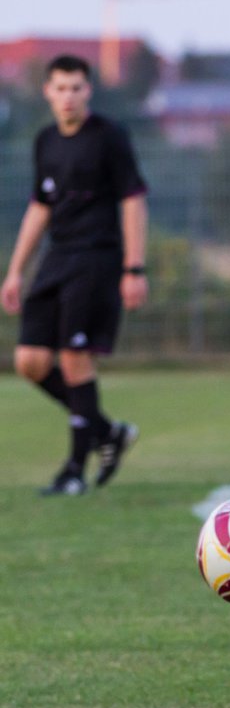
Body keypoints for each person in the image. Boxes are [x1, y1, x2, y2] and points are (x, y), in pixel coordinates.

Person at [2, 55, 147, 496]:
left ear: (89, 91)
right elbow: (40, 206)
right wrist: (14, 271)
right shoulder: (45, 140)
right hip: (57, 258)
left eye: (77, 88)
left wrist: (134, 268)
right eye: (60, 88)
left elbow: (133, 200)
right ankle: (109, 432)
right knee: (29, 361)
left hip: (98, 258)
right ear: (47, 91)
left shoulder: (108, 137)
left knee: (74, 358)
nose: (68, 96)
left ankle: (72, 471)